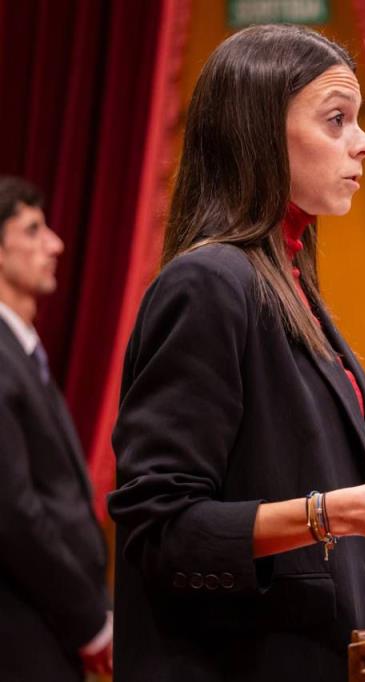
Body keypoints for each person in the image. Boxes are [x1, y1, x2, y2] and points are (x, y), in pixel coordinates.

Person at [107, 24, 365, 681]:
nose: (364, 143)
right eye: (336, 120)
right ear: (257, 133)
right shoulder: (208, 285)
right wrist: (350, 509)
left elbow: (272, 568)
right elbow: (164, 533)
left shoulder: (290, 282)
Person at [0, 176, 113, 680]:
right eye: (33, 230)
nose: (57, 244)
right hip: (23, 631)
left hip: (49, 624)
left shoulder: (20, 351)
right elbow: (12, 509)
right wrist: (88, 620)